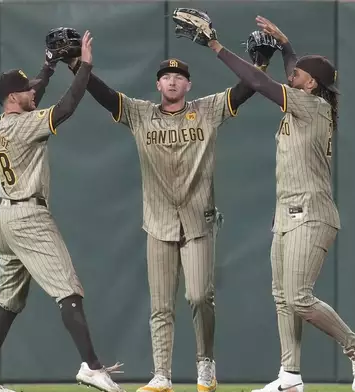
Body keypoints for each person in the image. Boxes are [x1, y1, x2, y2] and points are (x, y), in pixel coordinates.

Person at [61, 48, 265, 392]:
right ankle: (162, 374)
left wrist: (261, 64)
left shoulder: (207, 109)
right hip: (158, 222)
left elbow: (245, 90)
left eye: (179, 77)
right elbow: (106, 96)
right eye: (166, 77)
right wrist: (77, 67)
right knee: (161, 305)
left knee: (200, 296)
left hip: (198, 220)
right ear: (158, 85)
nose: (172, 81)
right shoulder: (141, 114)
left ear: (189, 85)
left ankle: (205, 364)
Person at [197, 15, 355, 392]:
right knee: (283, 297)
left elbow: (259, 81)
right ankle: (290, 377)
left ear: (310, 83)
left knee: (298, 296)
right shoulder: (304, 101)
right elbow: (290, 73)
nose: (291, 75)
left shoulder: (312, 107)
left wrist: (216, 46)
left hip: (311, 213)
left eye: (297, 73)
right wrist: (285, 44)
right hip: (287, 213)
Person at [0, 31, 125, 392]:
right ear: (11, 98)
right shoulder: (23, 126)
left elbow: (34, 87)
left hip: (4, 219)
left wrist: (49, 65)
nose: (32, 91)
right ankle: (92, 366)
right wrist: (84, 66)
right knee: (68, 290)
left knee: (7, 303)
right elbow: (66, 107)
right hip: (27, 217)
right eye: (25, 90)